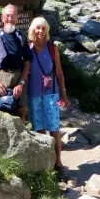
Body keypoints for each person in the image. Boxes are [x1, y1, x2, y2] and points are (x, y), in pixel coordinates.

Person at [27, 17, 70, 170]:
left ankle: (58, 162)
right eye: (37, 28)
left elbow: (59, 72)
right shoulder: (28, 48)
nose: (40, 31)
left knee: (54, 127)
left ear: (47, 31)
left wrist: (64, 94)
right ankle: (44, 164)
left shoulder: (52, 48)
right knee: (38, 128)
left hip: (51, 94)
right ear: (32, 30)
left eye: (43, 28)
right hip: (33, 94)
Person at [0, 4, 32, 122]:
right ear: (2, 18)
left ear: (17, 18)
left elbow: (27, 62)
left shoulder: (22, 37)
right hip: (0, 77)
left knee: (20, 112)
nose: (10, 19)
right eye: (7, 16)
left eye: (13, 16)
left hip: (18, 77)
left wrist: (21, 83)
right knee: (0, 112)